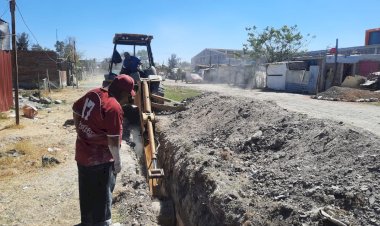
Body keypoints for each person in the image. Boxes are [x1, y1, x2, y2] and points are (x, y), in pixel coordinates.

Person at [72, 74, 135, 225]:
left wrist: (80, 130)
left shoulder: (94, 93)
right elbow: (113, 142)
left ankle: (87, 222)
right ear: (124, 93)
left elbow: (76, 108)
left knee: (87, 193)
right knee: (102, 199)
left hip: (83, 154)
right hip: (101, 160)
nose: (129, 100)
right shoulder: (113, 107)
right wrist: (118, 163)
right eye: (129, 96)